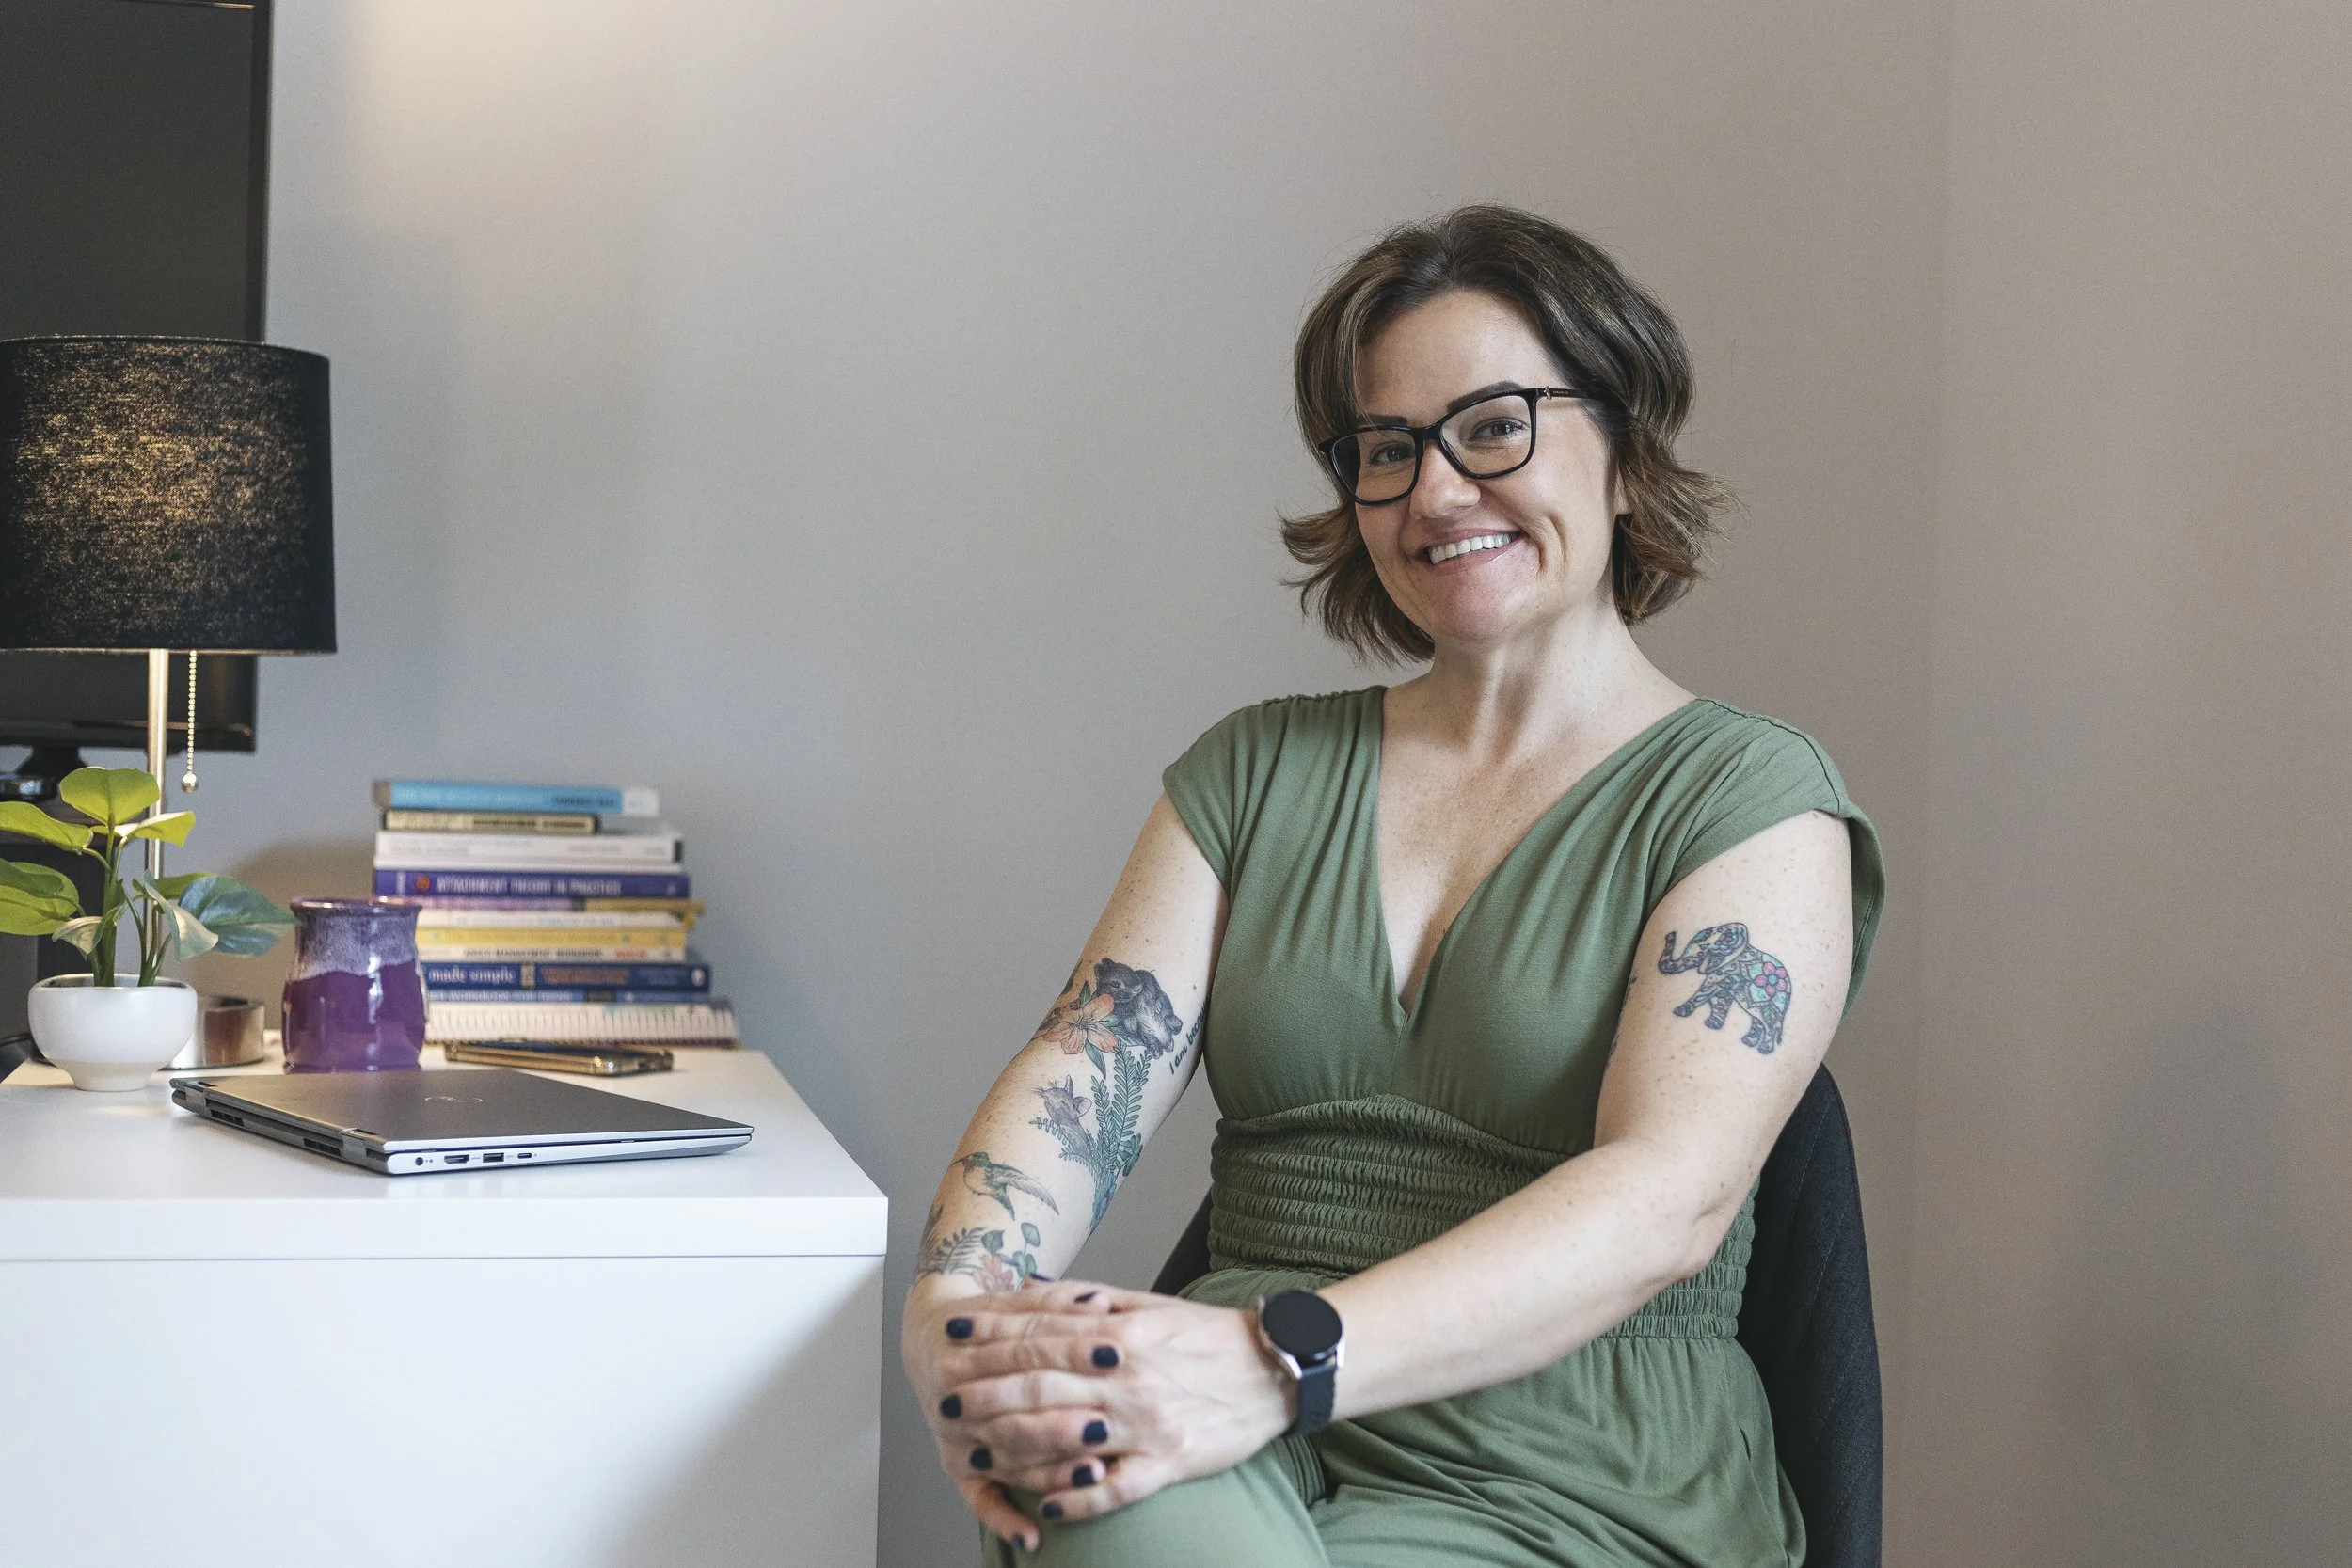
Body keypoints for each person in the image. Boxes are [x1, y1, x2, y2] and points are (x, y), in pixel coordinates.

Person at [900, 204, 1884, 1567]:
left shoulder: (1753, 801)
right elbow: (1089, 1058)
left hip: (1572, 1465)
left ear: (1622, 451)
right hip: (1226, 1419)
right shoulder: (1252, 773)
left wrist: (1277, 1359)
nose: (1434, 491)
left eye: (1492, 426)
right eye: (1388, 448)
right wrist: (960, 1319)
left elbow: (1672, 1199)